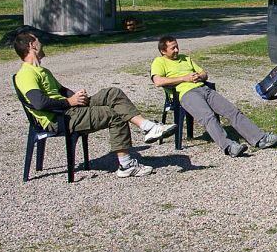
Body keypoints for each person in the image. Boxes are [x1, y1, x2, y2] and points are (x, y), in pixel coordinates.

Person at [14, 32, 176, 178]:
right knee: (113, 114)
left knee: (113, 93)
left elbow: (62, 90)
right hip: (59, 118)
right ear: (32, 45)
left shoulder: (43, 71)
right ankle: (126, 165)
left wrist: (77, 96)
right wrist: (70, 102)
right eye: (37, 39)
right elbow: (39, 103)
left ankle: (148, 127)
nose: (41, 42)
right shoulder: (26, 73)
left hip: (70, 109)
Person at [150, 36, 277, 158]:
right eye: (172, 48)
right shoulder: (159, 62)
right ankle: (229, 146)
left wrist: (199, 76)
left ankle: (261, 139)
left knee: (232, 111)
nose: (176, 50)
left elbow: (204, 74)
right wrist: (184, 78)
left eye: (177, 46)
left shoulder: (186, 58)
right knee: (208, 117)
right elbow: (158, 81)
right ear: (163, 51)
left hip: (203, 88)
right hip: (185, 94)